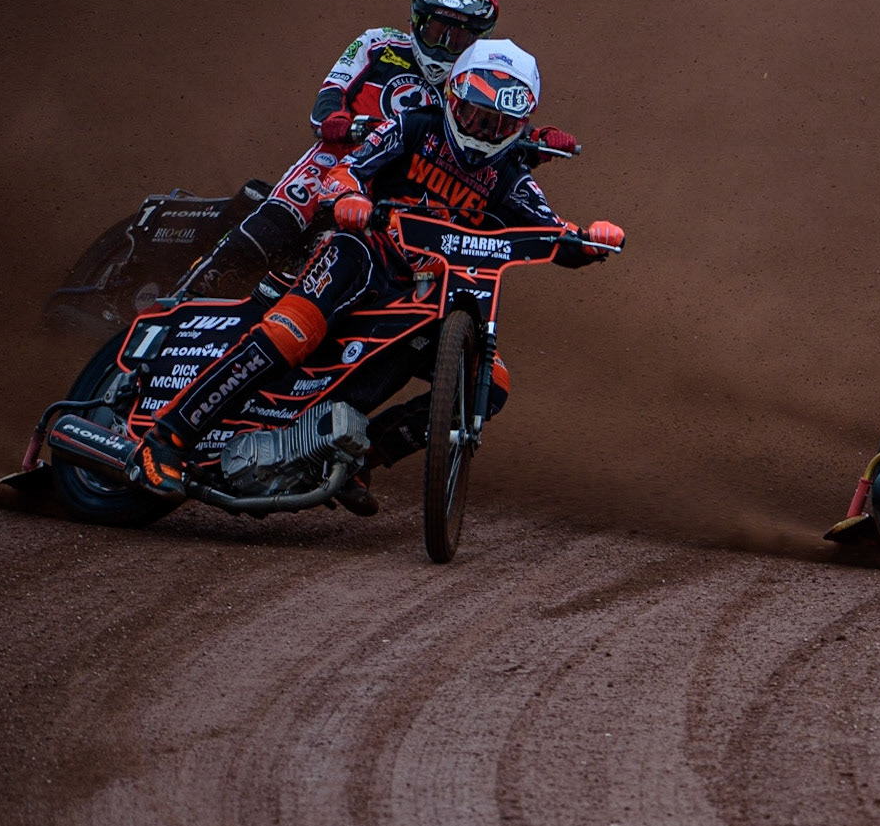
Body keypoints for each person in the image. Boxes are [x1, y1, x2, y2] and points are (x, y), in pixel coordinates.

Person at [125, 39, 624, 507]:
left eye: (497, 124)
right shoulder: (415, 125)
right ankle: (167, 438)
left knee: (489, 384)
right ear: (454, 97)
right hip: (364, 251)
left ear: (518, 125)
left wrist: (592, 239)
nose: (481, 132)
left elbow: (555, 235)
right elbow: (347, 169)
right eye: (474, 114)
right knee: (291, 331)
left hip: (427, 290)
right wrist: (350, 198)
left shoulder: (510, 175)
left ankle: (362, 457)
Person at [182, 0, 581, 298]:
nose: (444, 46)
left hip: (404, 191)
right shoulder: (377, 44)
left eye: (459, 38)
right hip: (344, 161)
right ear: (416, 20)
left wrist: (538, 141)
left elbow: (491, 141)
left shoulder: (477, 82)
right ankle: (184, 297)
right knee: (288, 209)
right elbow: (327, 102)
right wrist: (343, 123)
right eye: (436, 31)